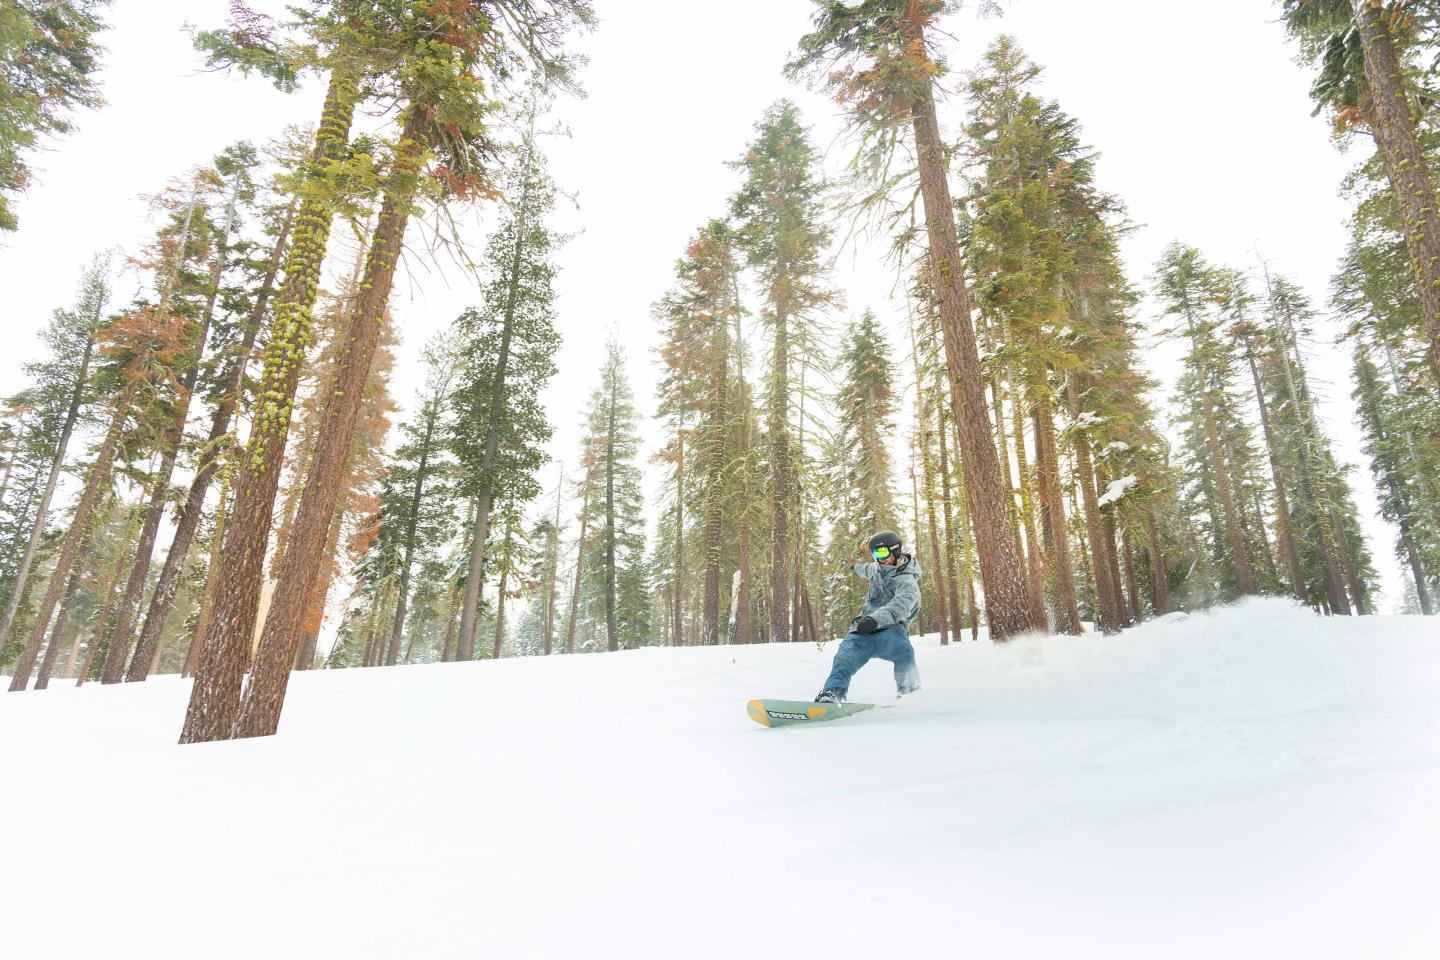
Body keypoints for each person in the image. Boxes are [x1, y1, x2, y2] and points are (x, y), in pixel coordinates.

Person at [815, 530, 922, 703]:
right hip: (864, 629)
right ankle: (832, 694)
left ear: (895, 550)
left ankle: (910, 694)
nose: (879, 558)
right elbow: (866, 569)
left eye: (882, 552)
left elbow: (899, 607)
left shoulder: (907, 582)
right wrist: (854, 568)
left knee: (904, 652)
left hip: (891, 630)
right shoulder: (877, 568)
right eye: (875, 554)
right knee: (844, 657)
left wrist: (875, 620)